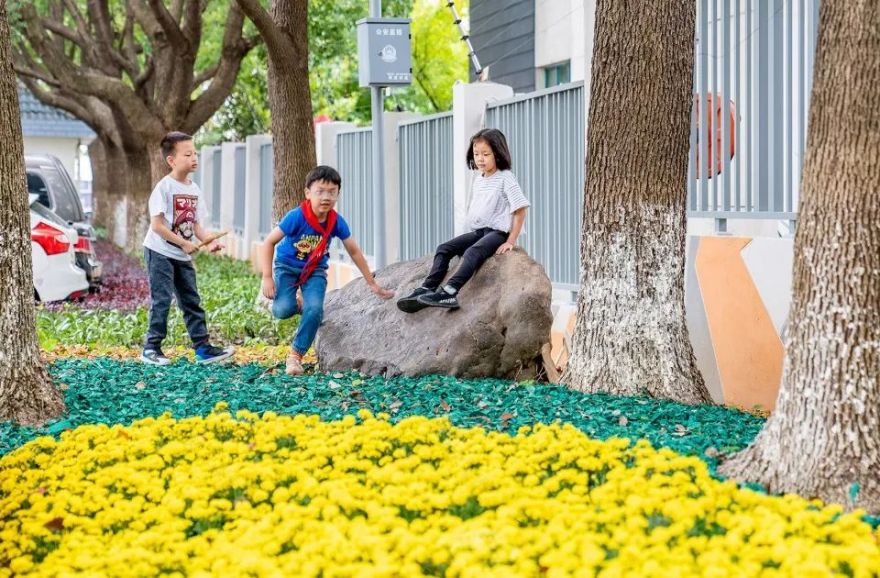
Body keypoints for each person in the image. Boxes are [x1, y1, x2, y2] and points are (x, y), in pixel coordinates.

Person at [260, 165, 394, 376]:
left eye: (332, 192)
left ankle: (295, 356)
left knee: (315, 310)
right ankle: (299, 305)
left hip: (315, 271)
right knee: (281, 310)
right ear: (307, 193)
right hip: (286, 268)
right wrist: (267, 277)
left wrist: (372, 283)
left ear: (337, 195)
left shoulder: (336, 222)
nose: (326, 197)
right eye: (320, 191)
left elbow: (354, 251)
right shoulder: (296, 217)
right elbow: (268, 242)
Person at [397, 128, 530, 312]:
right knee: (444, 248)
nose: (480, 159)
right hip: (479, 232)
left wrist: (510, 241)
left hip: (497, 233)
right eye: (476, 154)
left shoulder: (505, 178)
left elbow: (520, 209)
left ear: (498, 154)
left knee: (472, 252)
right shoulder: (479, 179)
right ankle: (427, 289)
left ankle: (450, 292)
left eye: (486, 154)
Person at [141, 131, 234, 365]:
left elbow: (195, 225)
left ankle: (203, 348)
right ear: (171, 160)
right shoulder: (164, 188)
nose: (194, 158)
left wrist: (209, 241)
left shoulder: (194, 189)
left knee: (191, 299)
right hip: (159, 251)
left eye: (195, 153)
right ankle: (151, 348)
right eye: (188, 154)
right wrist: (184, 243)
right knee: (161, 300)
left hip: (181, 254)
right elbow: (157, 226)